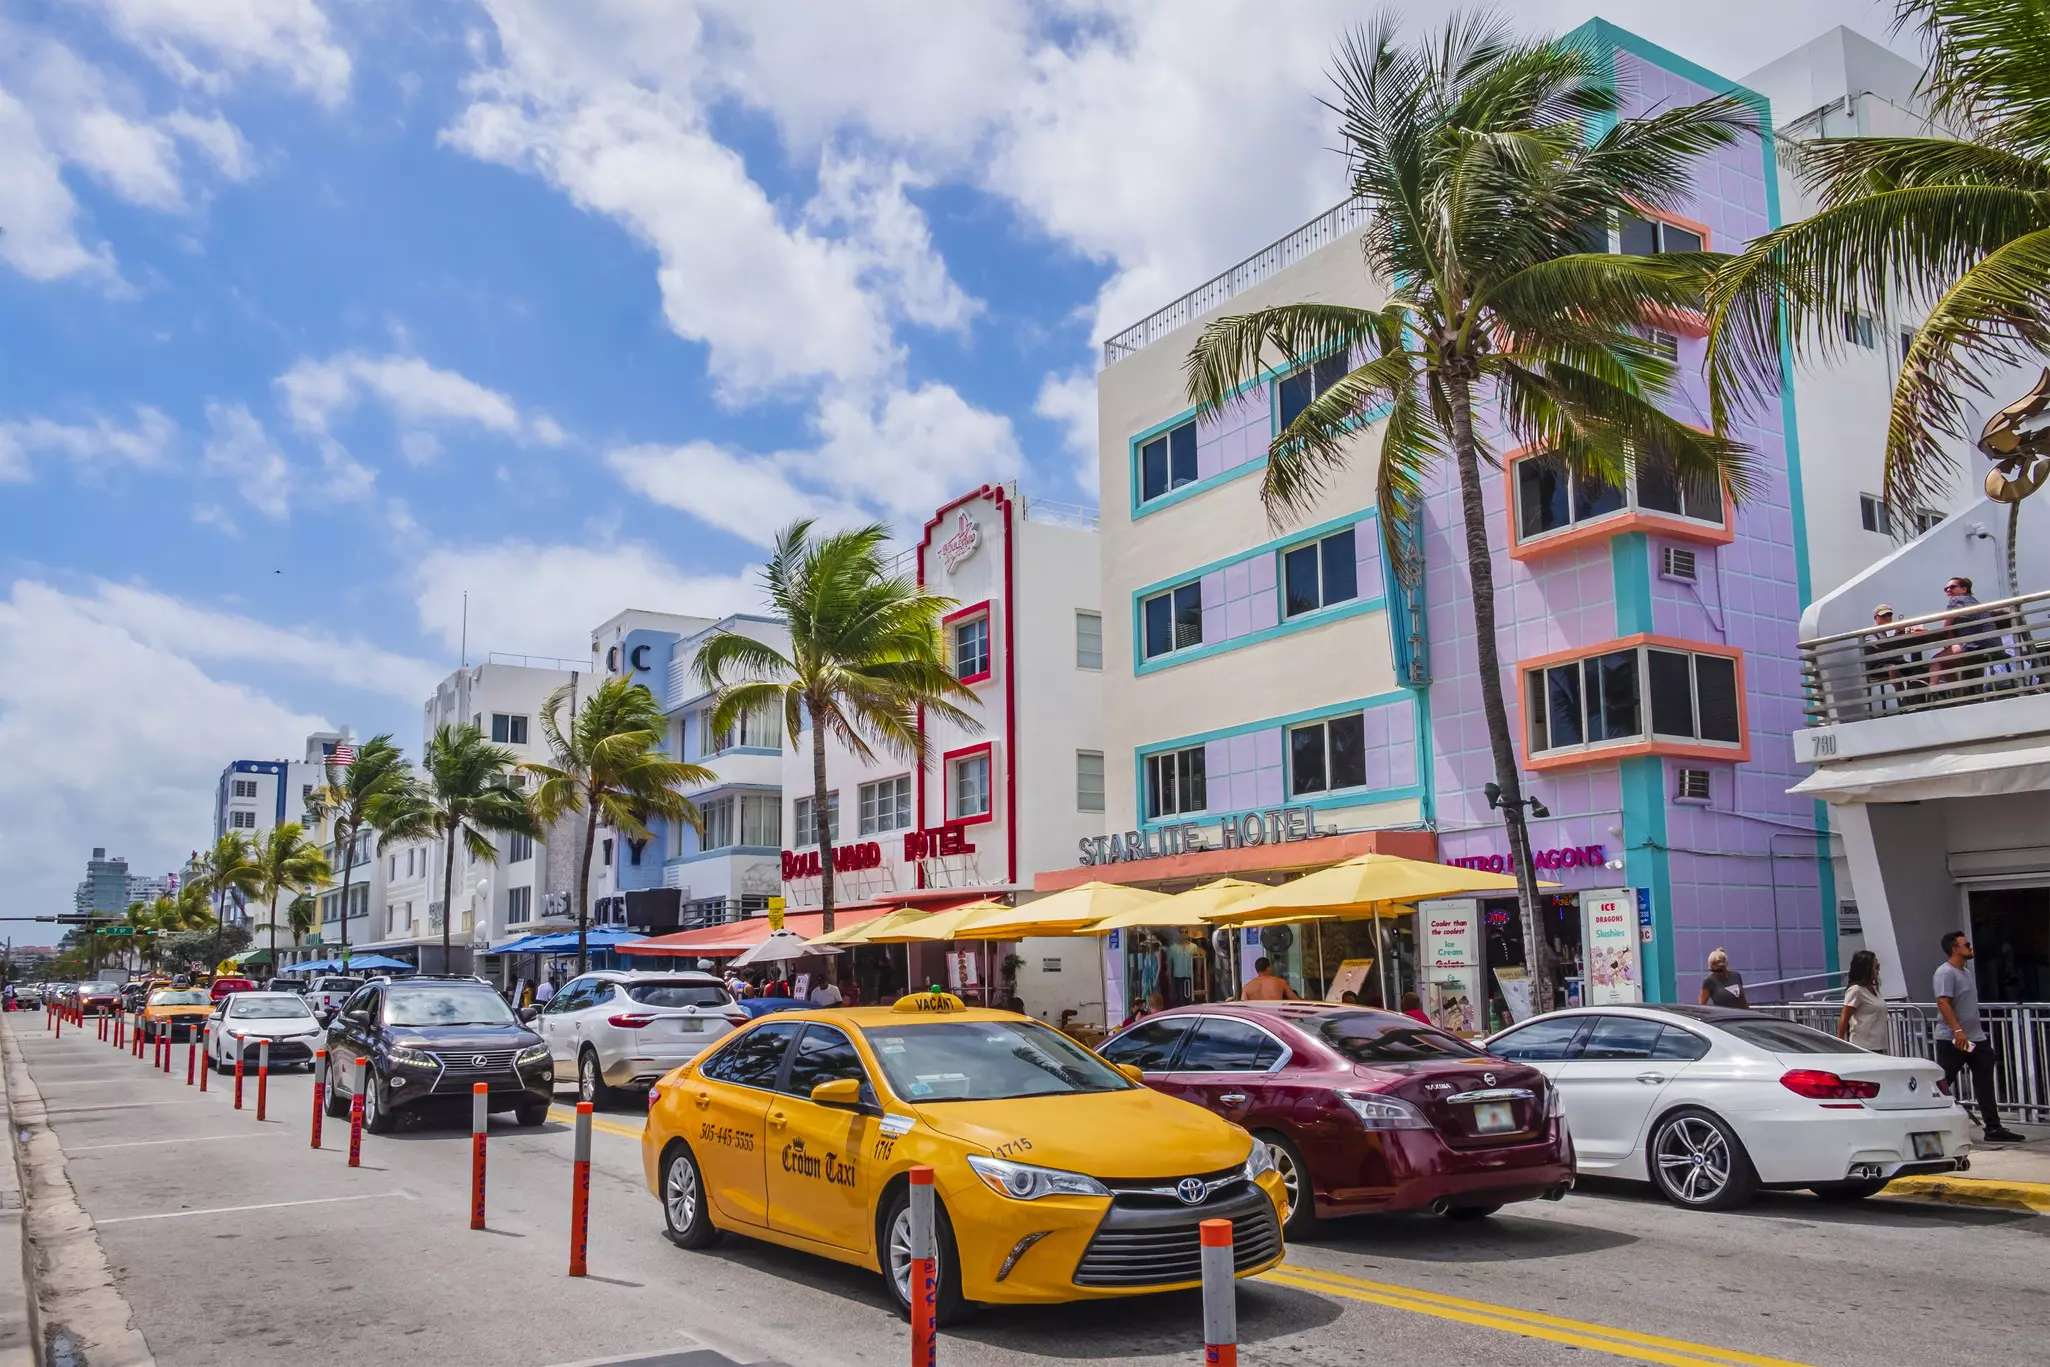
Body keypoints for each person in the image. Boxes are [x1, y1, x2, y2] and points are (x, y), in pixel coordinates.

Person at [1934, 931, 2026, 1143]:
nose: (1971, 947)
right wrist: (1958, 1031)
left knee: (1985, 1079)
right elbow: (1943, 1003)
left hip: (1976, 1039)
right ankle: (1930, 1123)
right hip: (1953, 1039)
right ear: (1955, 949)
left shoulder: (1966, 972)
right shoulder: (1945, 973)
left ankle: (1993, 1127)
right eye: (1966, 944)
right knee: (1943, 1083)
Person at [1836, 950, 1889, 1051]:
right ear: (1866, 969)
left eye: (1879, 966)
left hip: (1879, 1046)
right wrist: (1840, 1046)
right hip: (1862, 1047)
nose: (1878, 971)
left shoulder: (1874, 989)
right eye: (1876, 967)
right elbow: (1844, 1019)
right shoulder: (1856, 990)